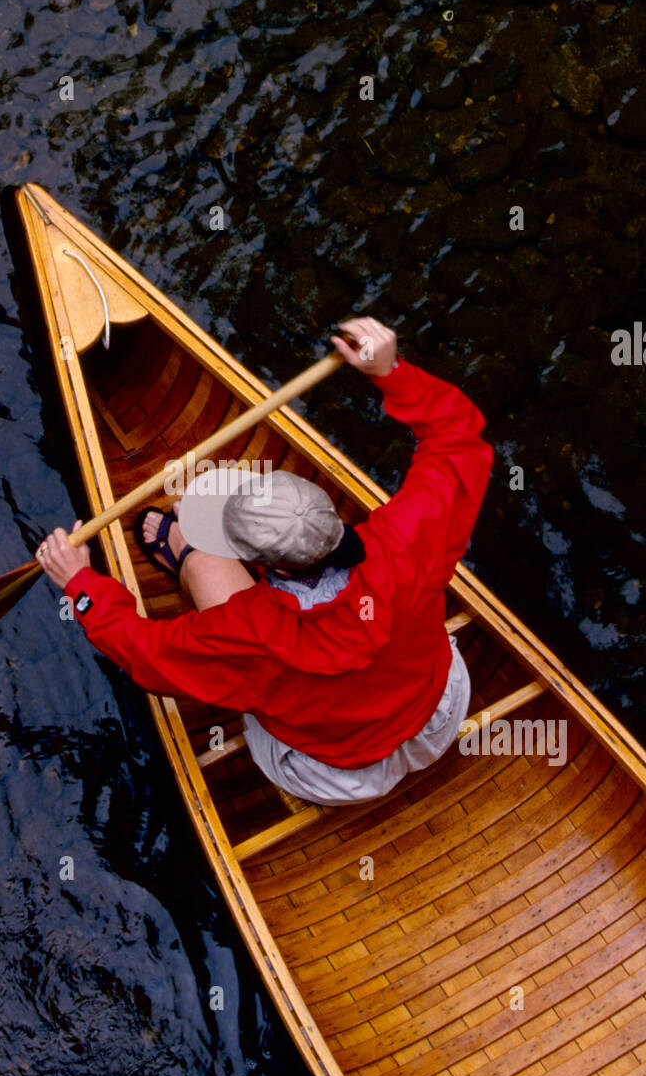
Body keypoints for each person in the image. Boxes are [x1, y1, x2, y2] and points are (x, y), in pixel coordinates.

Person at [35, 317, 494, 805]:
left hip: (343, 775)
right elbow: (458, 441)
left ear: (262, 565)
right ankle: (184, 550)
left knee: (203, 566)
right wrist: (391, 370)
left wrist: (81, 586)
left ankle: (183, 553)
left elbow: (144, 655)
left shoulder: (245, 632)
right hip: (440, 715)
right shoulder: (405, 540)